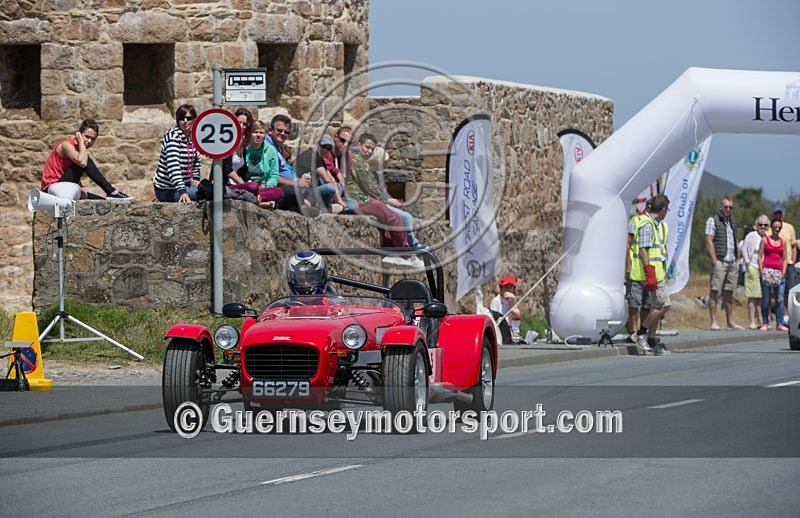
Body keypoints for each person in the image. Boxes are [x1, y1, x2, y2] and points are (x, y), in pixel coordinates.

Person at [347, 133, 412, 254]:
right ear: (358, 145)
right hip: (358, 198)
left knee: (387, 214)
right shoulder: (358, 161)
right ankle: (406, 252)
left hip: (361, 197)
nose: (369, 151)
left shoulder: (357, 160)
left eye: (372, 149)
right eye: (367, 147)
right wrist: (387, 201)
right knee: (397, 217)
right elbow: (370, 187)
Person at [41, 119, 130, 200]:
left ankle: (111, 194)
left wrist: (80, 187)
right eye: (87, 136)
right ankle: (110, 190)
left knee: (101, 201)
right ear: (79, 134)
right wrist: (81, 141)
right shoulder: (66, 145)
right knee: (86, 159)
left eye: (93, 139)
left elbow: (70, 171)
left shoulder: (79, 151)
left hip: (64, 186)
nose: (89, 141)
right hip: (52, 189)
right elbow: (82, 162)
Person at [631, 194, 671, 355]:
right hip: (652, 272)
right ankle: (641, 333)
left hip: (658, 272)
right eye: (666, 209)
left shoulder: (656, 225)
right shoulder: (647, 224)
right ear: (662, 210)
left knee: (657, 306)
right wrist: (649, 272)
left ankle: (651, 338)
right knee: (663, 305)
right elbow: (643, 249)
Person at [265, 114, 317, 216]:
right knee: (294, 191)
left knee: (314, 190)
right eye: (279, 130)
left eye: (286, 132)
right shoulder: (267, 147)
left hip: (288, 185)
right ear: (270, 130)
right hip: (274, 187)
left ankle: (301, 204)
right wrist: (296, 183)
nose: (283, 134)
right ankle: (300, 206)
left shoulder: (279, 146)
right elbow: (270, 176)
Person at [704, 197, 743, 330]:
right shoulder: (713, 220)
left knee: (729, 292)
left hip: (732, 260)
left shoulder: (732, 222)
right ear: (721, 207)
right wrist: (714, 260)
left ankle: (730, 321)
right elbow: (709, 240)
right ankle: (713, 321)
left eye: (730, 207)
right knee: (715, 290)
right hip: (720, 260)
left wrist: (738, 257)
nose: (728, 210)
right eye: (726, 207)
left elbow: (735, 239)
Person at [227, 120, 283, 208]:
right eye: (255, 132)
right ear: (250, 134)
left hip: (263, 186)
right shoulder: (245, 148)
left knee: (279, 192)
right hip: (247, 184)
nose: (258, 135)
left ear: (265, 135)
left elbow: (274, 175)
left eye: (261, 133)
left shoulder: (271, 150)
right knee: (253, 187)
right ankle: (262, 202)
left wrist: (267, 186)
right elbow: (242, 171)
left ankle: (255, 198)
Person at [153, 104, 202, 203]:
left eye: (189, 118)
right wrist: (182, 191)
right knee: (205, 194)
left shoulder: (192, 137)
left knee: (210, 189)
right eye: (181, 118)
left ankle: (240, 192)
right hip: (167, 189)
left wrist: (196, 177)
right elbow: (173, 166)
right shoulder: (173, 137)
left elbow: (196, 158)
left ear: (194, 119)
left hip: (185, 183)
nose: (185, 121)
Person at [294, 134, 346, 213]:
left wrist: (338, 199)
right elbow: (328, 180)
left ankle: (328, 207)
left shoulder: (319, 158)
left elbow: (331, 178)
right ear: (317, 144)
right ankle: (326, 207)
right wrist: (339, 200)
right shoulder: (312, 156)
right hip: (305, 193)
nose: (325, 150)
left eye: (328, 149)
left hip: (312, 191)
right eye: (323, 146)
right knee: (330, 188)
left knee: (338, 187)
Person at [758, 218, 789, 331]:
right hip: (767, 272)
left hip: (779, 273)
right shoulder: (765, 240)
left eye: (779, 228)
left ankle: (779, 322)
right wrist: (761, 271)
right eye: (775, 227)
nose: (777, 229)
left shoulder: (783, 242)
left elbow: (785, 258)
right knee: (766, 299)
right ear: (771, 227)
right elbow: (760, 255)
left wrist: (783, 271)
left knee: (779, 299)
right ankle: (765, 322)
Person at [625, 205, 650, 341]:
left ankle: (642, 331)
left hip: (651, 271)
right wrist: (628, 265)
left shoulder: (658, 225)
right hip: (636, 271)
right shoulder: (635, 221)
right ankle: (633, 331)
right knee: (634, 303)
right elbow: (627, 244)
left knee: (647, 304)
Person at [742, 215, 769, 329]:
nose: (762, 227)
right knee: (753, 295)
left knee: (762, 296)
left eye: (765, 225)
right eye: (760, 225)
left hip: (764, 269)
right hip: (752, 266)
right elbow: (744, 248)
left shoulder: (768, 237)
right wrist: (747, 262)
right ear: (756, 225)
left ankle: (762, 320)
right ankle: (752, 321)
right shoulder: (751, 235)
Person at [771, 204, 797, 312]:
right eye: (776, 213)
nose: (778, 215)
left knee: (788, 290)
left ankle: (786, 313)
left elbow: (794, 246)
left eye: (780, 213)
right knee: (773, 291)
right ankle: (773, 314)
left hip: (788, 263)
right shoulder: (769, 227)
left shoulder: (789, 227)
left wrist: (793, 262)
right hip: (774, 263)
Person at [222, 107, 254, 185]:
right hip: (225, 185)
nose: (241, 126)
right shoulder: (227, 142)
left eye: (245, 124)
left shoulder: (242, 144)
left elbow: (243, 169)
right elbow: (227, 170)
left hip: (236, 185)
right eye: (239, 122)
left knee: (277, 192)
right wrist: (244, 185)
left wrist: (250, 182)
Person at [489, 276, 522, 345]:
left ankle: (515, 333)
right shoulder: (496, 300)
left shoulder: (510, 300)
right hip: (501, 328)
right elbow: (495, 317)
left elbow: (514, 314)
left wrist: (512, 300)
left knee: (516, 312)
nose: (508, 289)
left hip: (510, 329)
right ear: (501, 288)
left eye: (511, 287)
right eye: (506, 287)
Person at [323, 126, 352, 191]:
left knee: (352, 201)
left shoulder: (348, 155)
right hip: (326, 185)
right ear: (336, 137)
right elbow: (321, 161)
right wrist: (337, 172)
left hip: (339, 190)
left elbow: (345, 179)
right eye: (343, 140)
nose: (345, 145)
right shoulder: (327, 148)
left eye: (349, 143)